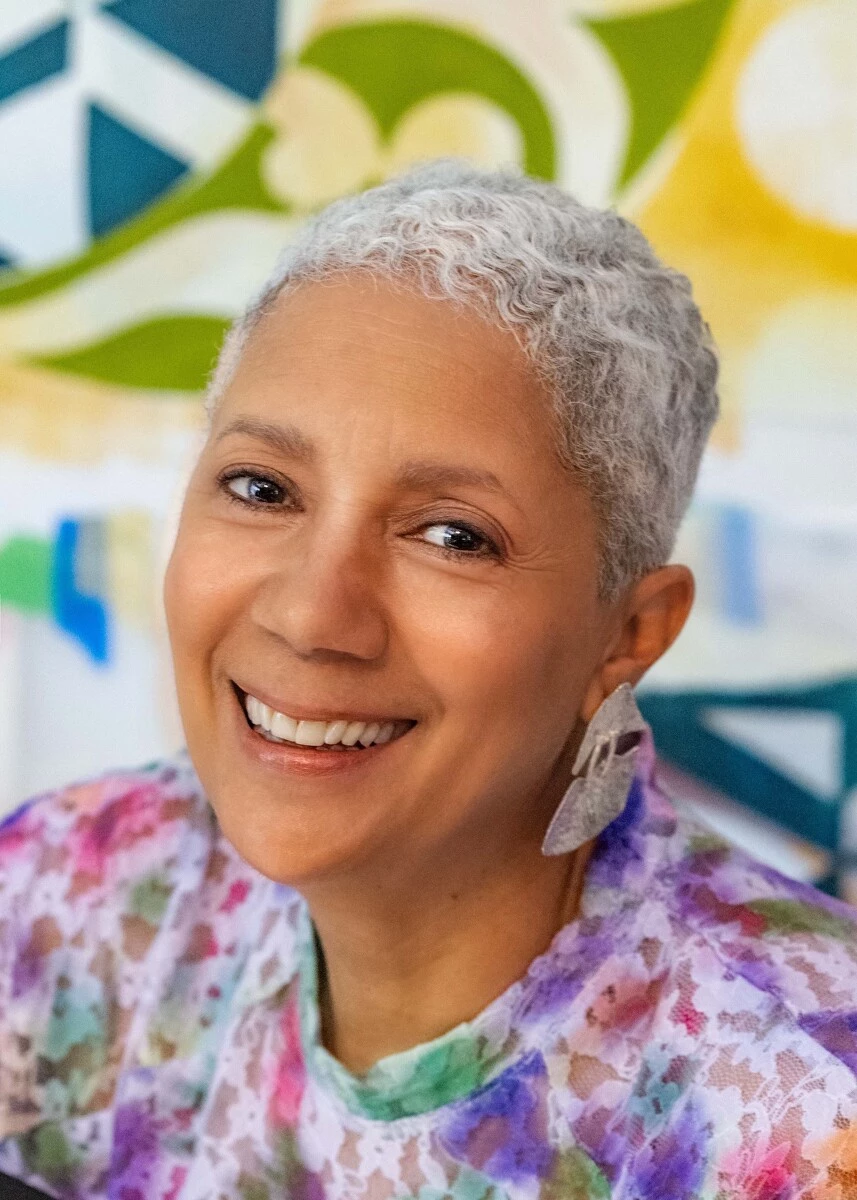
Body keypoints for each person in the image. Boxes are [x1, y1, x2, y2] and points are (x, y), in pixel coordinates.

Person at [2, 159, 857, 1200]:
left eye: (453, 536)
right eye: (261, 487)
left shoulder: (802, 1115)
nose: (312, 614)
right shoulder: (67, 898)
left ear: (626, 634)